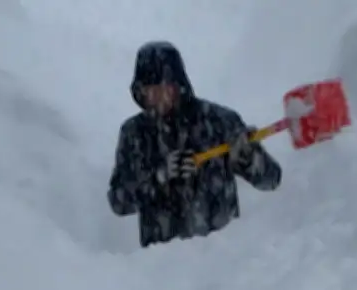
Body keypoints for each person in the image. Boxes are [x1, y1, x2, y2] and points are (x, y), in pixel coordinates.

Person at [107, 40, 282, 248]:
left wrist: (249, 156)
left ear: (178, 86)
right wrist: (158, 179)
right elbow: (118, 202)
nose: (158, 98)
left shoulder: (219, 122)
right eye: (150, 91)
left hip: (225, 256)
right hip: (161, 266)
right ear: (140, 92)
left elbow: (271, 180)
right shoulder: (134, 134)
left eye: (164, 89)